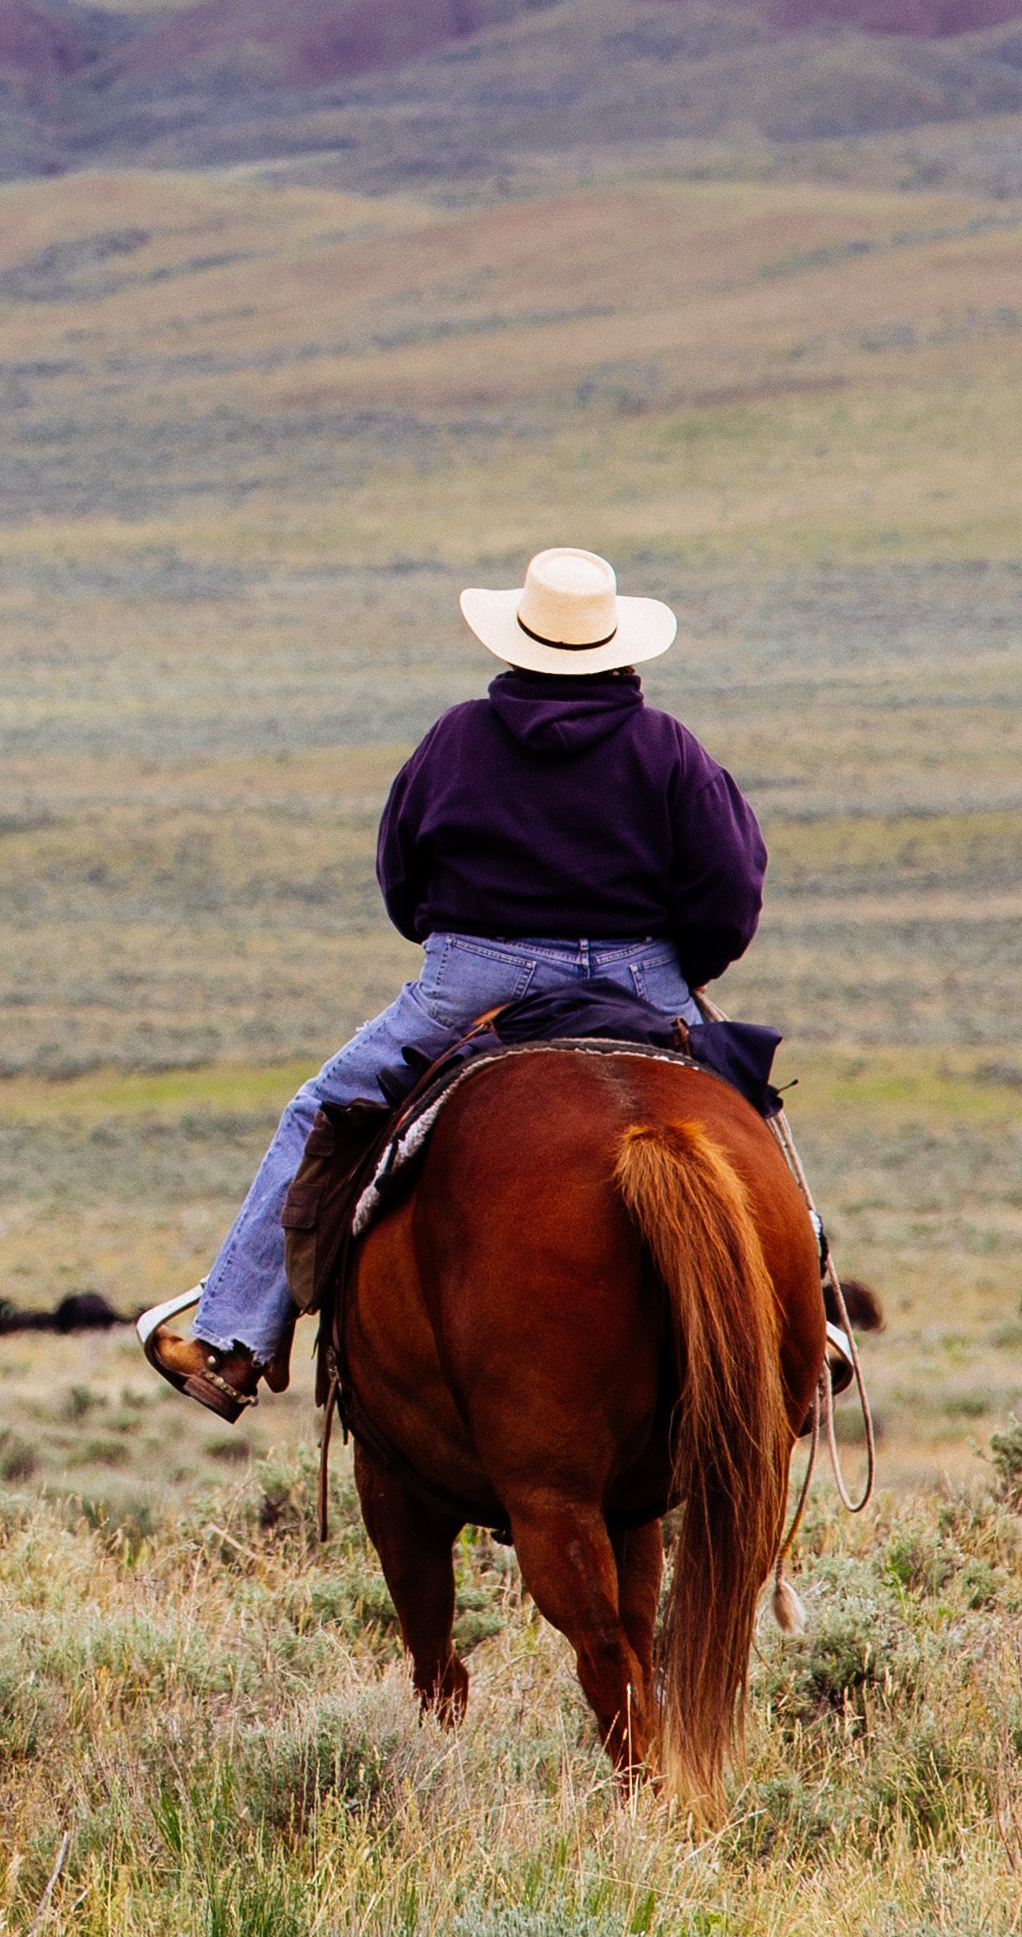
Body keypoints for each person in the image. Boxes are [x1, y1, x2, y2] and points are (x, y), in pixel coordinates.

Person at [149, 547, 764, 1419]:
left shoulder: (455, 738)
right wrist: (676, 971)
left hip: (478, 975)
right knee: (750, 1115)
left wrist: (461, 943)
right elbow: (729, 889)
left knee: (320, 1111)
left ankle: (234, 1340)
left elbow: (401, 876)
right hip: (639, 976)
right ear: (622, 650)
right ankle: (802, 1327)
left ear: (516, 642)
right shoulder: (670, 749)